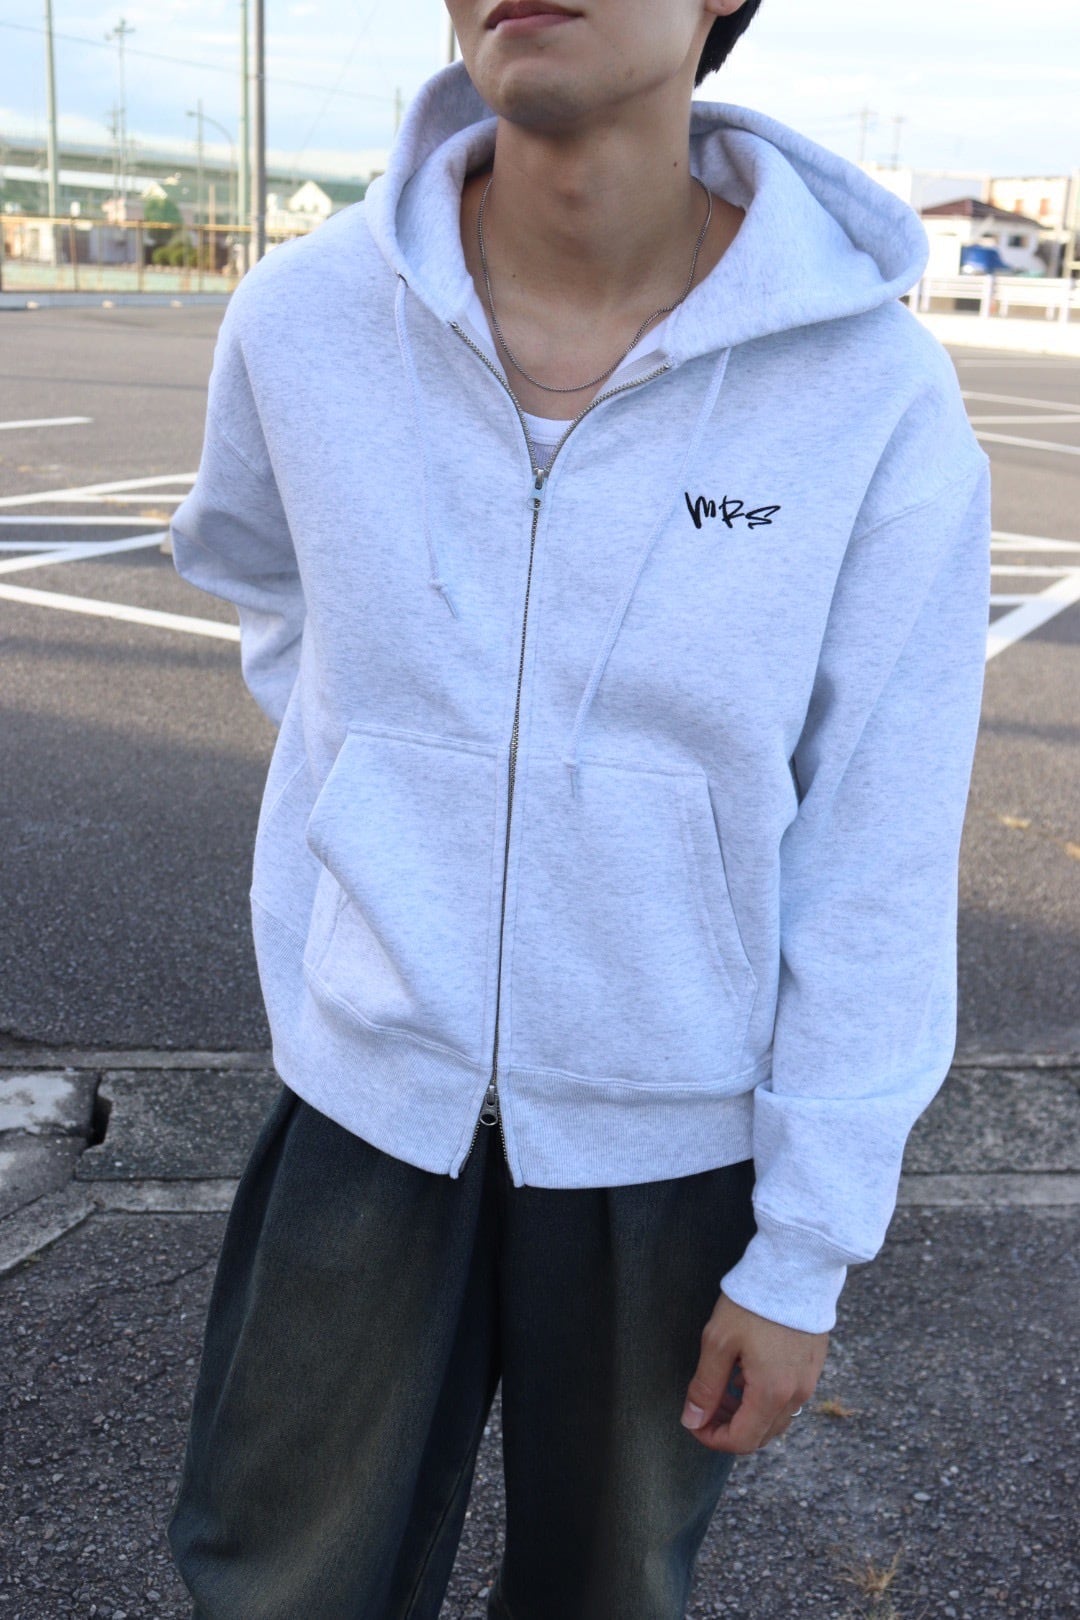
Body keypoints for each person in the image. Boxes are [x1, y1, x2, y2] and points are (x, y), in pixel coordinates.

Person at [166, 1, 991, 1615]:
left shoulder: (870, 393)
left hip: (674, 1147)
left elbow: (878, 849)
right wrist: (394, 798)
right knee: (280, 1586)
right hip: (364, 1107)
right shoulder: (306, 319)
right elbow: (271, 591)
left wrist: (807, 1249)